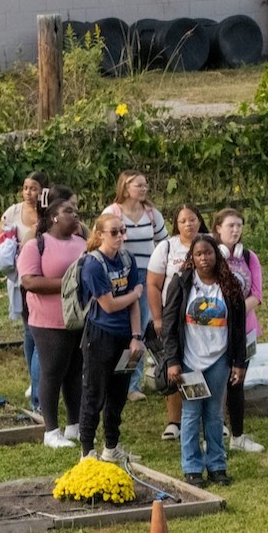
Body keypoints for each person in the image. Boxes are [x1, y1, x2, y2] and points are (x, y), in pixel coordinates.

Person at [161, 236, 249, 486]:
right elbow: (169, 325)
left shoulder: (229, 284)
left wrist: (239, 362)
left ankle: (217, 465)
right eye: (198, 254)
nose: (204, 258)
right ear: (192, 257)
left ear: (216, 255)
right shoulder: (181, 283)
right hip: (189, 360)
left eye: (208, 253)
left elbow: (239, 328)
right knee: (190, 414)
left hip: (219, 359)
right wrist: (172, 360)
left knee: (214, 414)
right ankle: (192, 467)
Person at [16, 188, 84, 450]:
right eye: (68, 211)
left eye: (75, 211)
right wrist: (69, 283)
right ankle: (51, 430)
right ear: (54, 217)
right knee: (52, 372)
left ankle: (74, 425)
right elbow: (30, 281)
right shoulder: (36, 245)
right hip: (48, 321)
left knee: (75, 373)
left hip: (78, 320)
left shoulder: (81, 243)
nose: (74, 215)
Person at [77, 213, 147, 461]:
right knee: (94, 393)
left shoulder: (128, 258)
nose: (120, 237)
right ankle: (87, 451)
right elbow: (109, 305)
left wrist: (136, 336)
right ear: (100, 235)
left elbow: (132, 305)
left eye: (122, 231)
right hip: (100, 335)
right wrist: (135, 293)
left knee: (119, 393)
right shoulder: (93, 264)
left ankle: (111, 447)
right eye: (114, 232)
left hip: (126, 336)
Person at [146, 204, 208, 442]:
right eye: (183, 221)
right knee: (175, 365)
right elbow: (153, 284)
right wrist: (158, 317)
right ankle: (175, 421)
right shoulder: (167, 247)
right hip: (175, 318)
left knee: (209, 365)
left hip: (207, 319)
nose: (188, 224)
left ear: (200, 221)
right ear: (176, 224)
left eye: (192, 219)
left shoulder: (211, 245)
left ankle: (215, 420)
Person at [103, 170, 165, 400]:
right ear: (125, 187)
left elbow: (163, 242)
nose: (144, 188)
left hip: (147, 274)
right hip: (121, 274)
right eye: (138, 185)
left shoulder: (152, 214)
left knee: (139, 328)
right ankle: (115, 378)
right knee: (123, 326)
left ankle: (132, 384)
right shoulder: (112, 213)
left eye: (145, 185)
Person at [215, 207, 266, 454]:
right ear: (218, 229)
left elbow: (257, 293)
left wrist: (235, 314)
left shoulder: (249, 256)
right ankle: (215, 432)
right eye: (230, 225)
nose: (235, 230)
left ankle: (238, 434)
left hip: (243, 329)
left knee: (237, 382)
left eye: (239, 225)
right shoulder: (213, 256)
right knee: (217, 381)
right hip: (216, 330)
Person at [0, 172, 47, 406]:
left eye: (33, 188)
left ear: (43, 191)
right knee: (29, 329)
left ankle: (39, 378)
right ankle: (33, 377)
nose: (28, 193)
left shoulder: (48, 213)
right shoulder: (13, 211)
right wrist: (8, 247)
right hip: (19, 276)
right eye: (25, 188)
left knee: (39, 328)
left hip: (42, 275)